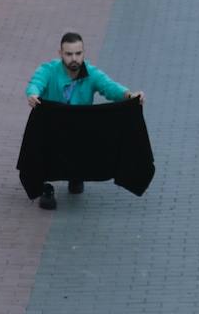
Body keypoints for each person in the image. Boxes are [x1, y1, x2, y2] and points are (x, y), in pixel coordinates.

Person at [25, 31, 145, 209]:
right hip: (52, 127)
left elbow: (109, 87)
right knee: (38, 146)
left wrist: (129, 95)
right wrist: (32, 94)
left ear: (83, 53)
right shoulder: (48, 70)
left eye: (78, 53)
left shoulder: (91, 73)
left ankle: (76, 175)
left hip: (78, 128)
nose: (74, 58)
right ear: (60, 54)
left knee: (89, 137)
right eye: (69, 54)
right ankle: (44, 188)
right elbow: (36, 82)